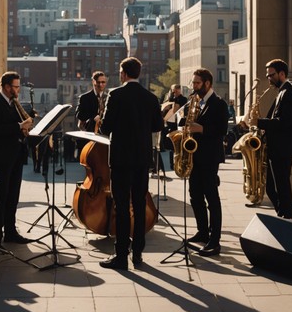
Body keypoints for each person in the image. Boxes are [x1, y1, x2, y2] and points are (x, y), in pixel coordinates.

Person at [98, 56, 163, 270]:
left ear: (124, 74)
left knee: (122, 207)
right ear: (139, 73)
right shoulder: (151, 98)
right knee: (140, 205)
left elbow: (106, 128)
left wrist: (101, 123)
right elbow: (157, 126)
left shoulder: (115, 95)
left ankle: (121, 256)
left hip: (120, 160)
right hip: (142, 159)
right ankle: (138, 255)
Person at [176, 68, 229, 257]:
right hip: (195, 156)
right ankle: (202, 231)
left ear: (207, 83)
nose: (194, 86)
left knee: (211, 198)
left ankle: (215, 241)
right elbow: (184, 122)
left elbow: (222, 129)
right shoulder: (195, 102)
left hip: (209, 157)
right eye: (194, 83)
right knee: (195, 196)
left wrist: (202, 128)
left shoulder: (219, 104)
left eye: (197, 83)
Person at [0, 72, 34, 246]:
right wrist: (20, 126)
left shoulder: (14, 104)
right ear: (6, 87)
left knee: (13, 196)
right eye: (16, 86)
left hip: (17, 154)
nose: (18, 90)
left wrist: (24, 127)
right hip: (2, 156)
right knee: (2, 196)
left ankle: (11, 232)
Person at [257, 59, 292, 219]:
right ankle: (283, 216)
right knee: (271, 188)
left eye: (271, 75)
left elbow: (283, 122)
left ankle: (288, 218)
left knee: (282, 187)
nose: (269, 78)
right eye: (268, 75)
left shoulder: (289, 93)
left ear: (282, 74)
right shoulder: (282, 92)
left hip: (283, 148)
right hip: (276, 148)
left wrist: (258, 122)